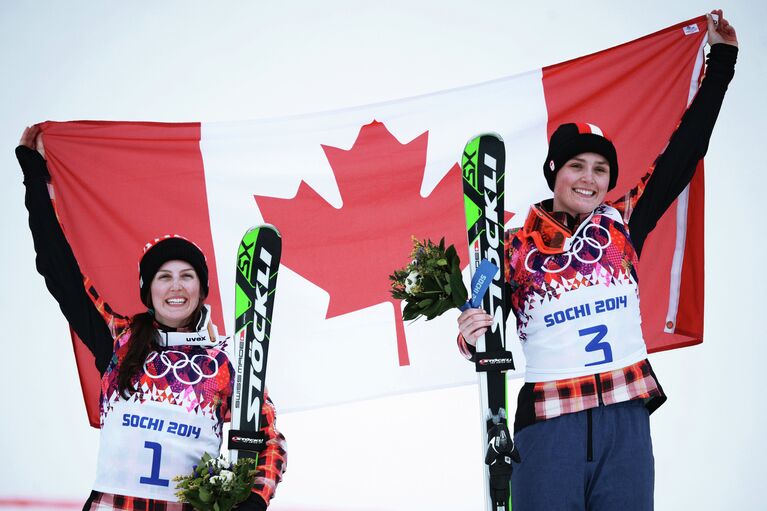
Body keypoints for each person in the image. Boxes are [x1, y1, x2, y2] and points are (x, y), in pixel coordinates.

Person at [457, 10, 737, 511]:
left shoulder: (624, 222)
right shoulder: (512, 246)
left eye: (601, 169)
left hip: (625, 420)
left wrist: (722, 63)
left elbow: (684, 152)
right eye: (576, 166)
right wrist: (469, 329)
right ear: (553, 173)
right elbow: (475, 316)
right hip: (549, 422)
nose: (589, 178)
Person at [16, 125, 287, 511]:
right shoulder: (119, 340)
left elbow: (268, 437)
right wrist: (35, 178)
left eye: (187, 276)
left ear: (201, 290)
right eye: (164, 277)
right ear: (149, 291)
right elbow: (60, 271)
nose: (176, 287)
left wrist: (253, 499)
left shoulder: (225, 360)